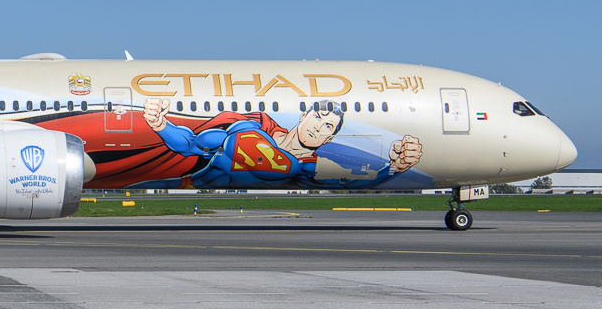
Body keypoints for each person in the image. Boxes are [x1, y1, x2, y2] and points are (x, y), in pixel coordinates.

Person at [142, 98, 423, 189]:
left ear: (330, 138)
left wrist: (393, 169)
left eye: (327, 126)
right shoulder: (253, 127)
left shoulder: (306, 168)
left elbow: (347, 184)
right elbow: (191, 145)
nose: (318, 127)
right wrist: (160, 125)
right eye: (318, 117)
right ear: (304, 114)